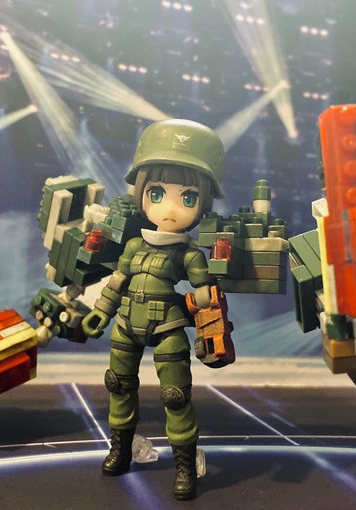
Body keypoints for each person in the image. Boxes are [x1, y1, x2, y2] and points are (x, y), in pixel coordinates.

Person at [82, 118, 226, 500]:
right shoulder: (133, 247)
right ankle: (120, 449)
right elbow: (117, 282)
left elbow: (204, 298)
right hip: (126, 323)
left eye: (188, 198)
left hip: (168, 329)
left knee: (176, 396)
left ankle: (184, 467)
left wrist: (209, 333)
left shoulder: (189, 255)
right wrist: (101, 312)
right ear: (142, 192)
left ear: (203, 202)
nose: (170, 208)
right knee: (118, 386)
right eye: (157, 193)